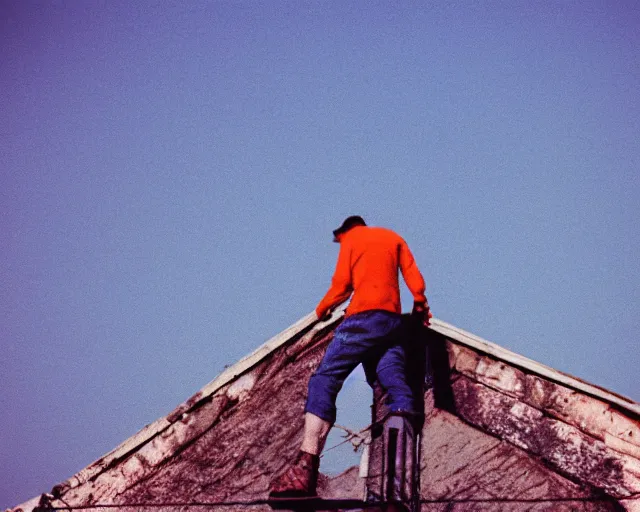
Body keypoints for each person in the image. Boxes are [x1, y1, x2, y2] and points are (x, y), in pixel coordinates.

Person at [269, 216, 431, 498]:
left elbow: (342, 286)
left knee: (324, 380)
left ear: (345, 232)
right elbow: (414, 279)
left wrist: (322, 309)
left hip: (362, 319)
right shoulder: (393, 237)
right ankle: (399, 487)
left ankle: (305, 468)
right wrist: (419, 303)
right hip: (391, 323)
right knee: (397, 389)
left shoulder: (352, 239)